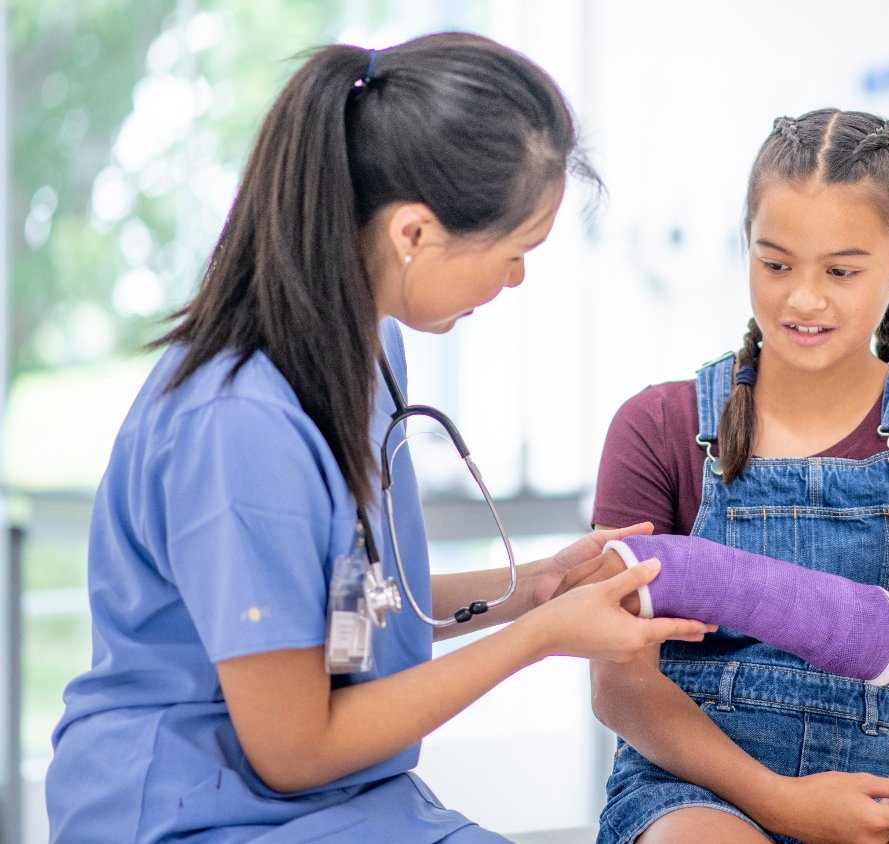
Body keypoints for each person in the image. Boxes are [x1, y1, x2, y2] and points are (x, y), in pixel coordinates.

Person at [44, 33, 711, 843]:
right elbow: (294, 747)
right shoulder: (238, 425)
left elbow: (353, 597)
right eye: (514, 251)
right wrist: (539, 639)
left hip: (336, 800)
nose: (517, 280)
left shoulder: (365, 349)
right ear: (414, 233)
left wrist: (537, 586)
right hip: (197, 809)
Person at [582, 109, 889, 843]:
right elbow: (619, 683)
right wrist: (776, 801)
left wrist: (707, 575)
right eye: (774, 264)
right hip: (691, 785)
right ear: (745, 244)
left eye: (841, 271)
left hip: (879, 780)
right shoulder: (655, 425)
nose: (803, 299)